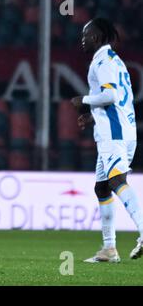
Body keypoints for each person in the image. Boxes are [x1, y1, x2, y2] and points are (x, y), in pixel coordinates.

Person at [71, 18, 143, 263]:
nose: (82, 39)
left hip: (115, 134)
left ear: (97, 37)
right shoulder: (115, 61)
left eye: (86, 34)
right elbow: (120, 98)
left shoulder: (103, 61)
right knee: (102, 187)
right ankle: (109, 249)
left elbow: (111, 95)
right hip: (118, 130)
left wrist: (84, 100)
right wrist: (92, 118)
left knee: (116, 180)